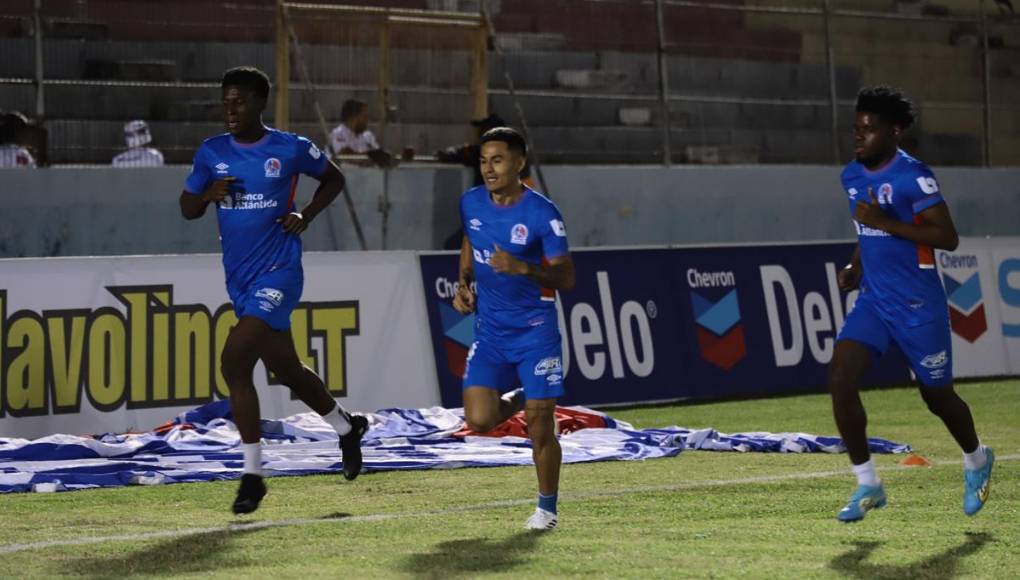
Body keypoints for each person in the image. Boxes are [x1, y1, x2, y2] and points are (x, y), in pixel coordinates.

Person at [179, 66, 368, 515]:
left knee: (234, 359)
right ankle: (346, 428)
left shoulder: (289, 147)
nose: (230, 108)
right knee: (288, 370)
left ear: (260, 103)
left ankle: (252, 475)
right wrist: (207, 194)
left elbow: (335, 178)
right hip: (239, 279)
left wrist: (306, 215)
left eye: (239, 101)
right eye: (226, 100)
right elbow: (187, 209)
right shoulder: (212, 153)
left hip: (280, 272)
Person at [830, 86, 993, 523]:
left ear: (893, 131)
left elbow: (947, 237)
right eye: (856, 130)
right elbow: (868, 234)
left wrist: (883, 221)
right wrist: (856, 267)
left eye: (869, 130)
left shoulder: (914, 177)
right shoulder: (851, 175)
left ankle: (977, 459)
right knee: (841, 376)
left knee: (938, 398)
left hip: (919, 306)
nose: (859, 138)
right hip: (875, 303)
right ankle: (868, 483)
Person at [451, 127, 575, 531]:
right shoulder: (470, 202)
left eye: (497, 160)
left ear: (519, 163)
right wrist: (463, 282)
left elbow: (566, 277)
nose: (488, 168)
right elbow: (470, 240)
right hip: (490, 331)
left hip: (535, 332)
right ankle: (524, 398)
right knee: (480, 419)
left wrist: (524, 267)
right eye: (483, 160)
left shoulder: (542, 214)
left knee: (541, 426)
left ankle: (546, 509)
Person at [328, 98, 394, 168]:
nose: (367, 120)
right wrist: (369, 156)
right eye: (364, 117)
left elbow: (377, 153)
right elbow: (343, 154)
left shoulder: (368, 136)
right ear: (353, 117)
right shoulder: (338, 134)